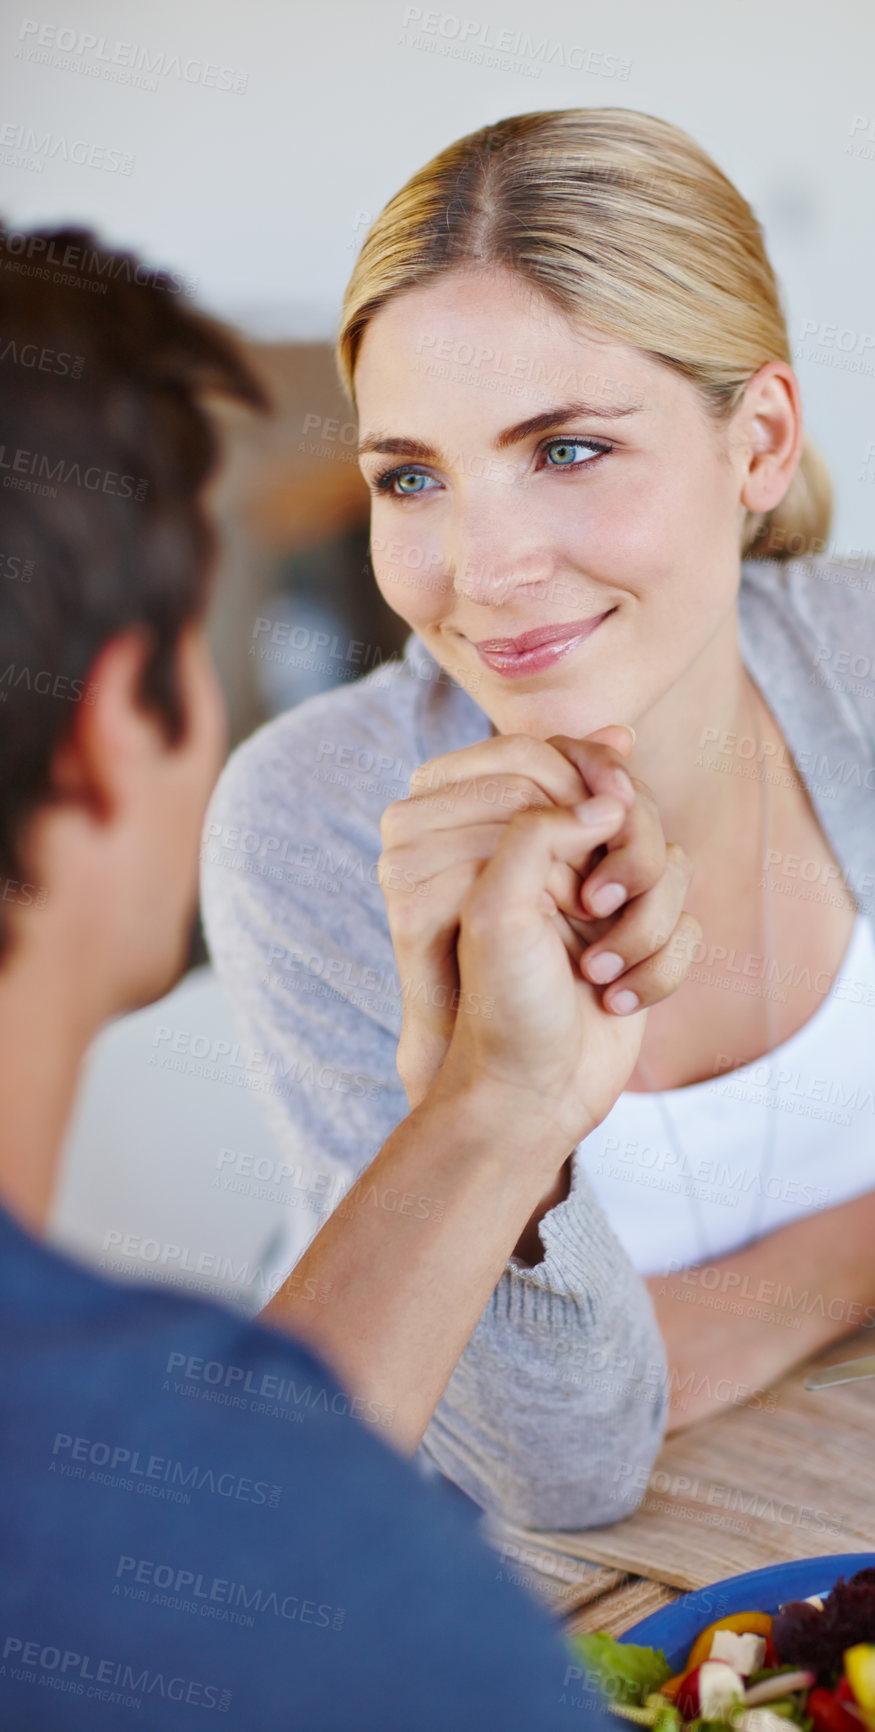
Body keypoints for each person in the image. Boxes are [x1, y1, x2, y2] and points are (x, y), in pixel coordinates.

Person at [203, 106, 875, 1523]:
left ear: (758, 442)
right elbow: (558, 1468)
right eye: (413, 475)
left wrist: (747, 1309)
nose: (485, 564)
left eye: (567, 449)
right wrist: (497, 1111)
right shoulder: (317, 822)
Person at [0, 222, 685, 1727]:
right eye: (409, 475)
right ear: (122, 726)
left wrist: (497, 1108)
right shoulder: (399, 1635)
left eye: (565, 451)